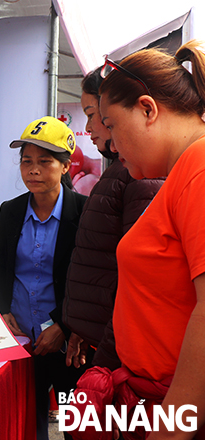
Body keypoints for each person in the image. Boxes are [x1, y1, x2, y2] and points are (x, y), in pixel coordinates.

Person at [90, 40, 205, 438]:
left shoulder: (199, 166)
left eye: (111, 124)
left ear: (147, 109)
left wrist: (171, 429)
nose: (110, 143)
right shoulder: (183, 173)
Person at [0, 116, 87, 440]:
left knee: (77, 426)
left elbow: (88, 281)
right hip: (22, 341)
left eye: (45, 162)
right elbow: (0, 269)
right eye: (27, 161)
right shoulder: (11, 211)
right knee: (27, 423)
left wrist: (63, 326)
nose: (33, 170)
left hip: (67, 345)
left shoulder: (84, 213)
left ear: (65, 166)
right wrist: (2, 312)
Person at [62, 69, 164, 371]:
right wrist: (83, 328)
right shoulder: (121, 170)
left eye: (97, 117)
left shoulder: (140, 171)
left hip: (118, 351)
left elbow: (136, 280)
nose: (90, 127)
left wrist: (106, 353)